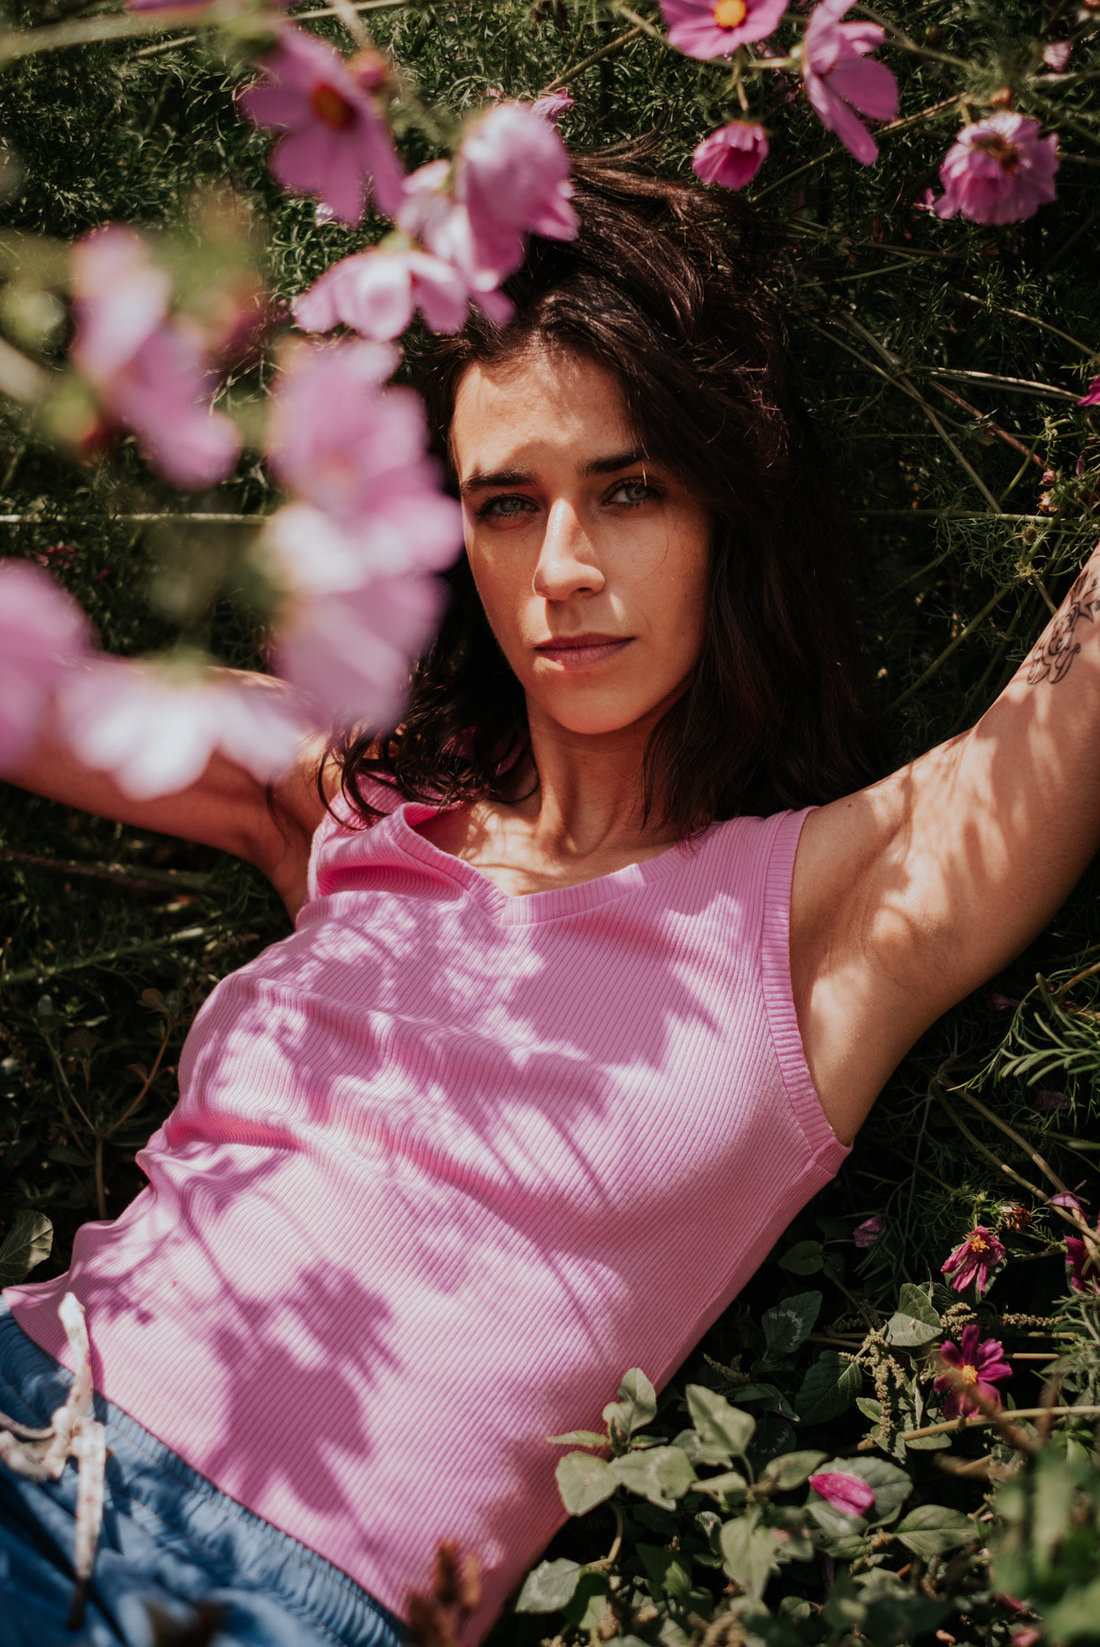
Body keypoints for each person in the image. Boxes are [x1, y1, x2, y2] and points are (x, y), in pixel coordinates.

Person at [2, 154, 1099, 1647]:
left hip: (266, 1606)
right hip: (35, 1403)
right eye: (508, 505)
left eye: (629, 490)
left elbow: (1057, 718)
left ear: (724, 511)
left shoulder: (811, 914)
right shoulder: (358, 798)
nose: (563, 569)